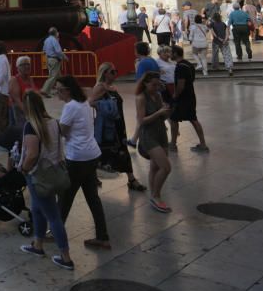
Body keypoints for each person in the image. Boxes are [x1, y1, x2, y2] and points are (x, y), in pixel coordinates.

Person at [17, 92, 73, 271]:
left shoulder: (31, 126)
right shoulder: (54, 122)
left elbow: (32, 154)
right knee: (36, 209)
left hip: (38, 175)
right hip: (54, 172)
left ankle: (66, 257)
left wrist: (23, 169)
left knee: (53, 216)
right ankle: (38, 244)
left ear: (27, 108)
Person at [55, 75, 111, 251]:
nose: (57, 93)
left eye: (59, 90)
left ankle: (55, 232)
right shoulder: (84, 103)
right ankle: (102, 237)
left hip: (77, 157)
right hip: (91, 154)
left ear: (68, 90)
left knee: (65, 197)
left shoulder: (70, 106)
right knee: (93, 198)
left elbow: (62, 131)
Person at [88, 63, 145, 191]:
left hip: (119, 124)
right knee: (103, 151)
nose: (115, 74)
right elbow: (90, 102)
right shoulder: (100, 87)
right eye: (112, 72)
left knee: (122, 149)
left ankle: (131, 179)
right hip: (108, 126)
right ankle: (93, 176)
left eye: (115, 71)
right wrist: (104, 106)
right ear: (105, 73)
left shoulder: (113, 87)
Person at [135, 71, 172, 213]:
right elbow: (141, 121)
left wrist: (166, 112)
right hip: (148, 136)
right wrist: (159, 112)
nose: (156, 87)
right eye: (153, 84)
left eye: (158, 84)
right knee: (166, 167)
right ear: (145, 83)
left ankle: (153, 195)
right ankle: (156, 196)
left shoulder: (157, 95)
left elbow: (161, 117)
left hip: (161, 132)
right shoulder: (141, 98)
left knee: (155, 167)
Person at [170, 46, 209, 153]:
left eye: (171, 53)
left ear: (176, 54)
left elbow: (181, 85)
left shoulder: (180, 67)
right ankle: (203, 144)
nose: (169, 55)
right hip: (190, 95)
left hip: (183, 98)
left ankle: (173, 145)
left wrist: (175, 95)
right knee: (193, 119)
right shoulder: (188, 64)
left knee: (173, 119)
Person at [40, 28, 67, 97]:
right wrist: (64, 56)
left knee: (59, 77)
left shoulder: (46, 40)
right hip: (55, 60)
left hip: (49, 59)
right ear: (55, 33)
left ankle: (61, 90)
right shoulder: (54, 40)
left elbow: (44, 50)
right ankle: (45, 90)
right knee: (53, 76)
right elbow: (58, 51)